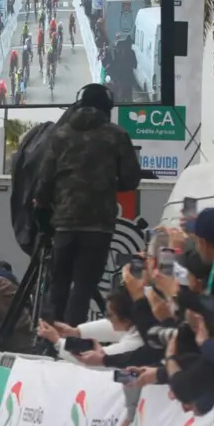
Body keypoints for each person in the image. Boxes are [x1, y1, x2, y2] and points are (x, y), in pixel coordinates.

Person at [36, 84, 141, 325]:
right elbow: (130, 179)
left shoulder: (60, 135)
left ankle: (49, 340)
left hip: (64, 225)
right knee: (83, 287)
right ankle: (71, 341)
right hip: (98, 227)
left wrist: (43, 207)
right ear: (108, 107)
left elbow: (44, 181)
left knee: (58, 285)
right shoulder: (117, 135)